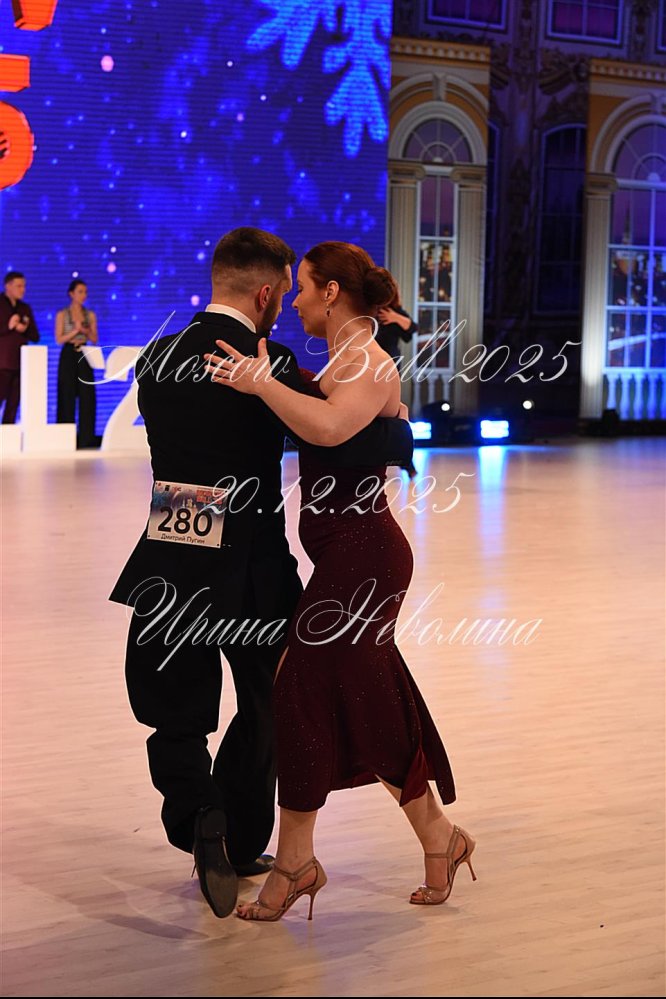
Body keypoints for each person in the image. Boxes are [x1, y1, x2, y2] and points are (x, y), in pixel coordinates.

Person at [108, 227, 413, 920]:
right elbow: (335, 432)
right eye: (288, 294)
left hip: (173, 547)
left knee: (173, 711)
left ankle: (202, 815)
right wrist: (396, 420)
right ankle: (245, 838)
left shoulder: (156, 357)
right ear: (268, 293)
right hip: (253, 560)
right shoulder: (267, 365)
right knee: (272, 699)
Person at [205, 241, 477, 922]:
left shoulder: (367, 362)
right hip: (347, 559)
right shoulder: (347, 359)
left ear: (330, 292)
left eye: (302, 286)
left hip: (365, 560)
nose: (294, 299)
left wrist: (264, 384)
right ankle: (438, 837)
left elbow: (328, 428)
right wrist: (275, 378)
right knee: (367, 700)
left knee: (297, 688)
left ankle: (296, 862)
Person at [376, 290, 418, 478]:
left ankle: (406, 462)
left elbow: (412, 328)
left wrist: (394, 317)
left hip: (390, 366)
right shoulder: (367, 309)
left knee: (392, 412)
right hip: (369, 364)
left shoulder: (393, 311)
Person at [55, 279, 98, 448]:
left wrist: (85, 330)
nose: (83, 295)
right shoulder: (62, 314)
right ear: (71, 294)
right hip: (68, 353)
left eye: (85, 292)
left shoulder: (90, 315)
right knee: (67, 394)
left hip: (85, 353)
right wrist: (75, 330)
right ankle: (65, 438)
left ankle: (86, 438)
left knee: (87, 395)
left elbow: (94, 338)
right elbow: (59, 338)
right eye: (80, 292)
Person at [0, 271, 39, 424]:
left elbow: (35, 336)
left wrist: (25, 329)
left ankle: (7, 435)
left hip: (20, 364)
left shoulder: (25, 308)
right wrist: (8, 326)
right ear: (8, 286)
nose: (23, 289)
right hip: (2, 364)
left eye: (24, 286)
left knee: (13, 405)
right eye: (19, 286)